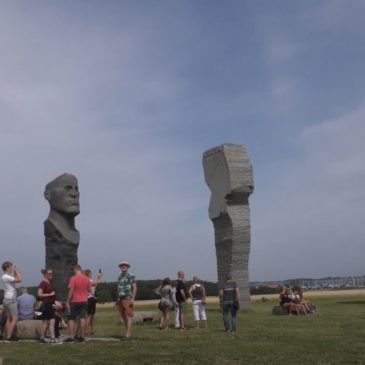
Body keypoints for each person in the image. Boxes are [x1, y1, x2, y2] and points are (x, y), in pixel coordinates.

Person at [44, 173, 80, 302]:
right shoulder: (52, 227)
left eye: (76, 189)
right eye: (68, 188)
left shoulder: (74, 232)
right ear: (48, 195)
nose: (74, 194)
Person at [64, 264, 91, 343]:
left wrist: (67, 301)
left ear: (75, 270)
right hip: (84, 301)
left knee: (71, 319)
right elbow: (89, 289)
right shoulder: (87, 278)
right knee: (82, 318)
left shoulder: (73, 278)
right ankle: (82, 336)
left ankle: (71, 337)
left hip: (74, 301)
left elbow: (71, 290)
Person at [37, 268, 61, 344]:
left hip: (49, 304)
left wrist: (55, 302)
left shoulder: (50, 282)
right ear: (45, 274)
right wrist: (49, 294)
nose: (51, 275)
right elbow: (39, 294)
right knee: (51, 321)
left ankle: (42, 338)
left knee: (46, 322)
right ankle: (53, 339)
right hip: (46, 304)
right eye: (50, 274)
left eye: (52, 273)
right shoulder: (43, 283)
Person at [1, 261, 22, 341]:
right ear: (7, 268)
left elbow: (16, 279)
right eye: (11, 267)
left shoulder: (5, 277)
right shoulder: (6, 276)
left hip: (7, 299)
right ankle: (9, 337)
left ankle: (8, 336)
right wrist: (17, 272)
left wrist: (16, 273)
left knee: (9, 319)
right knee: (15, 318)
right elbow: (19, 280)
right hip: (11, 300)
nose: (12, 268)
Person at [116, 261, 137, 340]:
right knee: (123, 315)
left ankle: (128, 334)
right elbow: (119, 288)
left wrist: (133, 299)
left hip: (127, 296)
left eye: (125, 265)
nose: (123, 266)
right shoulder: (120, 277)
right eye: (122, 265)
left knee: (129, 315)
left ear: (127, 267)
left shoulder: (131, 275)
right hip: (120, 298)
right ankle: (128, 333)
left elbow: (134, 287)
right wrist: (117, 299)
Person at [84, 269, 103, 335]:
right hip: (91, 299)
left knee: (90, 316)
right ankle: (86, 331)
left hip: (87, 299)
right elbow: (99, 282)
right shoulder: (89, 280)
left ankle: (91, 330)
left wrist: (98, 277)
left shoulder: (85, 280)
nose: (91, 274)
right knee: (89, 316)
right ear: (88, 274)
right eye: (90, 273)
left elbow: (94, 286)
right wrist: (100, 277)